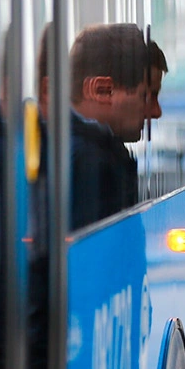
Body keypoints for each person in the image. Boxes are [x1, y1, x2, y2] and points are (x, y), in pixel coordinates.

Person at [67, 23, 167, 230]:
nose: (156, 112)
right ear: (101, 91)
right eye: (147, 96)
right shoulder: (89, 163)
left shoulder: (86, 152)